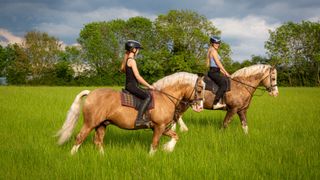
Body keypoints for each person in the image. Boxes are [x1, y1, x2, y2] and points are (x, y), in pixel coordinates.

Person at [120, 40, 155, 128]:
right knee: (148, 96)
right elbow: (138, 77)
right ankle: (139, 119)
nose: (138, 51)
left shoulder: (127, 60)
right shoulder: (132, 61)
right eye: (138, 49)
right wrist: (149, 85)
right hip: (132, 87)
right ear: (134, 49)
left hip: (130, 86)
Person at [206, 36, 231, 109]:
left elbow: (217, 67)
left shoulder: (212, 50)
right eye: (215, 43)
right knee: (223, 84)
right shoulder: (213, 51)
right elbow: (218, 63)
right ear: (212, 43)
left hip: (215, 71)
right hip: (213, 72)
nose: (217, 44)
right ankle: (215, 103)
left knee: (225, 80)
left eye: (218, 43)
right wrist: (226, 72)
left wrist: (224, 73)